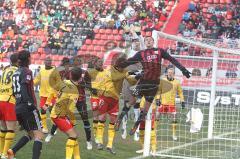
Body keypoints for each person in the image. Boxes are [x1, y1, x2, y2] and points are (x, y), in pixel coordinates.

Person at [115, 36, 191, 135]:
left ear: (154, 41)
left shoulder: (160, 51)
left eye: (150, 39)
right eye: (146, 40)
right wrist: (118, 66)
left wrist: (183, 69)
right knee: (132, 101)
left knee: (146, 109)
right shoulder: (141, 54)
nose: (148, 41)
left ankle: (136, 125)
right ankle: (119, 119)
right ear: (145, 43)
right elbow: (128, 62)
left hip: (154, 85)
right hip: (143, 83)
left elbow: (172, 60)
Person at [95, 55, 137, 154]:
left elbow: (131, 81)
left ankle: (109, 145)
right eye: (122, 67)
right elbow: (114, 78)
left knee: (113, 121)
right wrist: (126, 74)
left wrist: (138, 77)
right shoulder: (109, 69)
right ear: (117, 66)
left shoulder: (124, 71)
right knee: (102, 118)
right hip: (105, 96)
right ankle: (99, 142)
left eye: (124, 67)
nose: (123, 69)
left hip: (115, 99)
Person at [8, 50, 43, 159]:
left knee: (31, 134)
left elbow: (14, 91)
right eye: (30, 57)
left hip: (18, 107)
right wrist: (30, 104)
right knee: (39, 135)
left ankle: (12, 151)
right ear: (28, 58)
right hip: (27, 107)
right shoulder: (27, 71)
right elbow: (23, 88)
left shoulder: (16, 72)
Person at [50, 67, 82, 159]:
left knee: (74, 135)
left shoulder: (65, 82)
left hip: (57, 113)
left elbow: (54, 90)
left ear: (71, 75)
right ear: (80, 78)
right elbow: (70, 110)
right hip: (59, 116)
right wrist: (73, 122)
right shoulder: (75, 91)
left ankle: (77, 157)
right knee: (73, 135)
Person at [156, 67, 185, 141]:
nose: (170, 74)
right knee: (156, 116)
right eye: (169, 72)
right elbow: (159, 90)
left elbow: (180, 92)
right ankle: (154, 132)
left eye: (171, 73)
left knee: (174, 117)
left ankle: (174, 134)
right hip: (163, 103)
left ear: (174, 74)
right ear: (167, 73)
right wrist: (157, 99)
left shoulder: (177, 82)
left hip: (171, 104)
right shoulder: (163, 80)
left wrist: (182, 101)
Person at [33, 57, 59, 134]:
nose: (48, 62)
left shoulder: (54, 71)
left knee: (52, 111)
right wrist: (31, 84)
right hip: (43, 94)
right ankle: (44, 127)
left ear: (51, 62)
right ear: (44, 62)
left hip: (52, 95)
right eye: (47, 60)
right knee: (43, 110)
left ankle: (54, 128)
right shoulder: (41, 70)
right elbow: (37, 80)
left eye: (49, 61)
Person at [0, 54, 18, 158]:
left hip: (0, 99)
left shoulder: (5, 71)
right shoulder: (17, 72)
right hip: (9, 100)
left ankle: (1, 152)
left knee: (3, 128)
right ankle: (5, 154)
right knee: (11, 129)